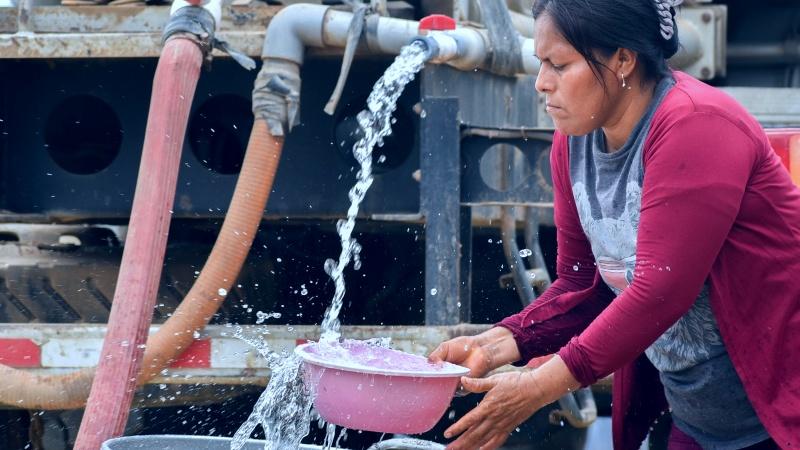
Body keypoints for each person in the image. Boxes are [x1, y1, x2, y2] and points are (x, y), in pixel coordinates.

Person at [428, 0, 800, 449]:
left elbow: (658, 294)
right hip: (703, 422)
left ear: (623, 59)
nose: (542, 83)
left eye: (560, 65)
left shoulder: (695, 124)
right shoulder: (573, 144)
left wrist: (535, 388)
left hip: (782, 410)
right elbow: (581, 285)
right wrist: (498, 343)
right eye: (540, 63)